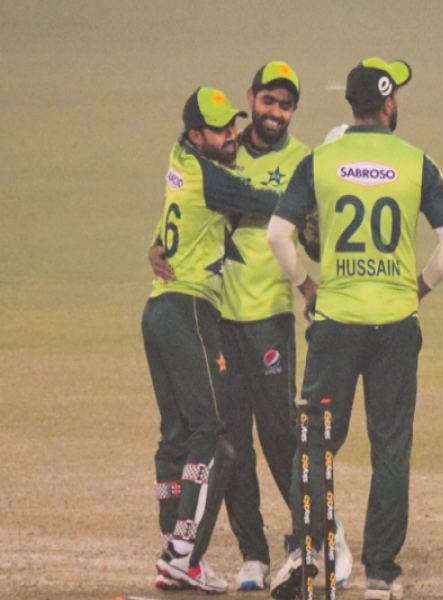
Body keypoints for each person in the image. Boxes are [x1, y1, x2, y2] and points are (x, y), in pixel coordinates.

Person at [266, 58, 443, 600]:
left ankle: (310, 553)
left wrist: (307, 286)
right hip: (395, 324)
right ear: (389, 104)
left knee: (316, 441)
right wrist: (419, 287)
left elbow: (278, 235)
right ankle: (382, 572)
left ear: (351, 105)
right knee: (391, 445)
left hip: (336, 323)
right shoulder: (417, 162)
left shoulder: (319, 160)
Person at [150, 63, 353, 592]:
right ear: (251, 98)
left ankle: (317, 536)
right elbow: (185, 205)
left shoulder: (303, 160)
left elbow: (314, 243)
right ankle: (253, 554)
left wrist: (313, 234)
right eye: (268, 101)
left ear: (293, 110)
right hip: (217, 319)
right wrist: (158, 242)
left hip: (268, 317)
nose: (275, 112)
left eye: (285, 105)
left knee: (281, 436)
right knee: (231, 439)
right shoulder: (223, 154)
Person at [144, 87, 286, 593]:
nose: (231, 135)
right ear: (195, 134)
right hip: (190, 308)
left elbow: (171, 219)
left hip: (157, 311)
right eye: (220, 129)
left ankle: (173, 548)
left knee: (176, 434)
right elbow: (267, 203)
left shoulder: (179, 160)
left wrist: (154, 243)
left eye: (233, 125)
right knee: (210, 430)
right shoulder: (210, 177)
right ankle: (184, 553)